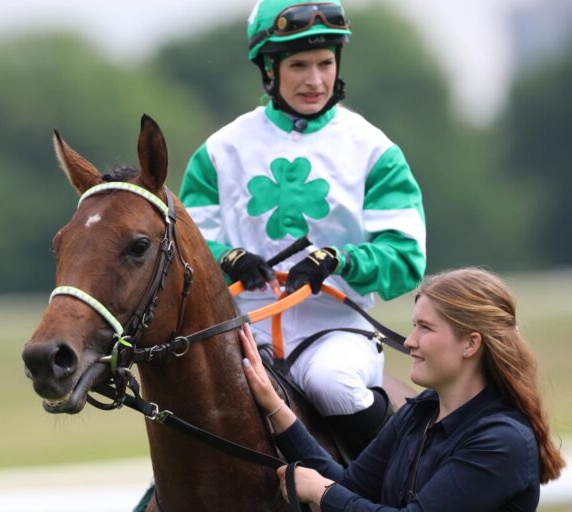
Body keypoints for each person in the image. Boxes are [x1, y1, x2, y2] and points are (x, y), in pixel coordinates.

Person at [179, 0, 426, 456]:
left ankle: (392, 489)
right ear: (269, 69)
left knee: (331, 383)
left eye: (325, 63)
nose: (315, 80)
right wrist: (226, 258)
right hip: (239, 329)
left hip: (333, 330)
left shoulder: (375, 151)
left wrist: (340, 258)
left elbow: (406, 256)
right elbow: (186, 247)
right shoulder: (217, 152)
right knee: (189, 399)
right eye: (298, 65)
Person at [240, 267, 565, 510]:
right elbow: (351, 485)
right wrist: (276, 408)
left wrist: (322, 493)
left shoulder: (501, 441)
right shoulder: (419, 412)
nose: (410, 342)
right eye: (414, 326)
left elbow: (336, 491)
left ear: (471, 344)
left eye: (425, 328)